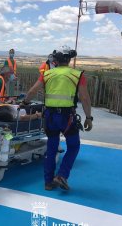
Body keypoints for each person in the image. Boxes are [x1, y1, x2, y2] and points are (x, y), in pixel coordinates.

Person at [22, 45, 93, 191]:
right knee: (73, 146)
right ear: (69, 59)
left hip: (50, 116)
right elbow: (84, 98)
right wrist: (89, 117)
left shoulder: (47, 74)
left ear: (56, 59)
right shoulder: (78, 75)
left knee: (52, 147)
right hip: (67, 118)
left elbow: (33, 90)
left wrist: (24, 103)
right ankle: (61, 175)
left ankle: (48, 182)